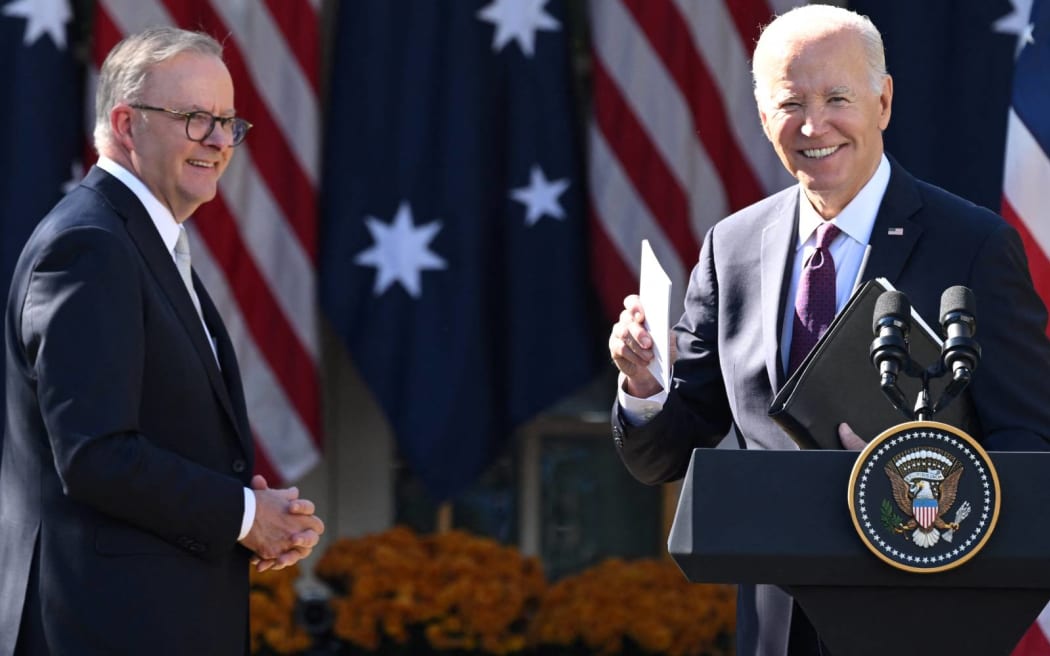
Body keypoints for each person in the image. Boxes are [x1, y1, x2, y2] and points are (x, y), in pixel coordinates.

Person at [608, 5, 1050, 656]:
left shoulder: (973, 246)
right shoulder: (731, 249)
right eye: (791, 104)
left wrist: (912, 471)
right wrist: (644, 386)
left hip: (920, 614)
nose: (815, 126)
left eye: (838, 98)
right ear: (764, 118)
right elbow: (668, 452)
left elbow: (1029, 443)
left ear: (884, 101)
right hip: (775, 627)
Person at [0, 27, 324, 655]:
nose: (220, 141)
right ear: (126, 123)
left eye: (229, 122)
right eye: (195, 118)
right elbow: (95, 454)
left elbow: (149, 435)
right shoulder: (90, 246)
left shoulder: (141, 242)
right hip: (97, 630)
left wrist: (244, 511)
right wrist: (245, 517)